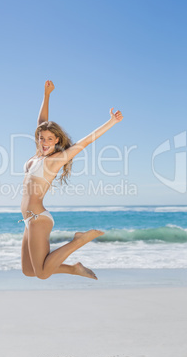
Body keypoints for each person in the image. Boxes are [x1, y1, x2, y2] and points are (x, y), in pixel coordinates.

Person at [20, 80, 123, 280]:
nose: (45, 142)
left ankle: (78, 240)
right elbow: (42, 121)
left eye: (50, 139)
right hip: (28, 219)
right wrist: (47, 95)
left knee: (42, 273)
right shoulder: (37, 155)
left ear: (57, 140)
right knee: (29, 270)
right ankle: (74, 268)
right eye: (42, 138)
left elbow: (86, 141)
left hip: (38, 219)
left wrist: (111, 122)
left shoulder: (55, 160)